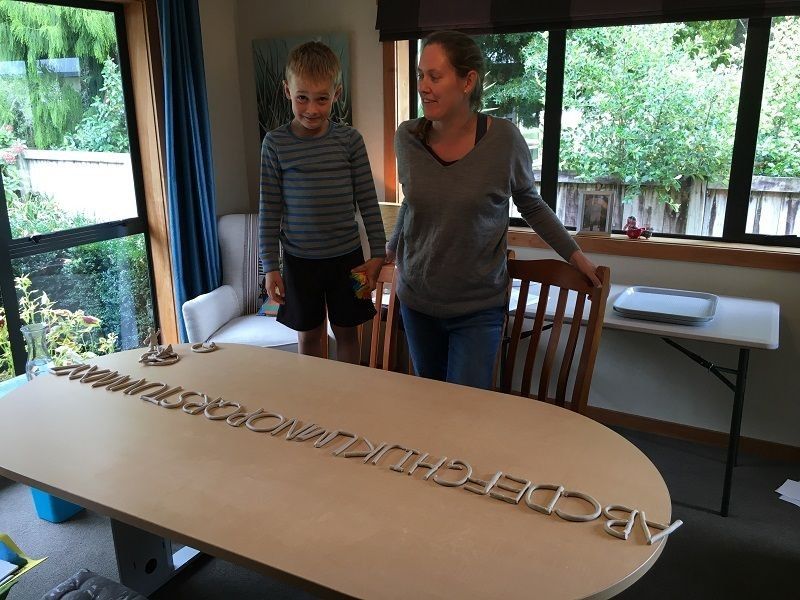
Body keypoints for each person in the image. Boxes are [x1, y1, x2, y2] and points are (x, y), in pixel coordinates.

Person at [386, 30, 600, 390]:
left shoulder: (503, 139)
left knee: (467, 415)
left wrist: (576, 257)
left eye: (435, 76)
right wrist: (390, 250)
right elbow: (414, 202)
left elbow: (530, 204)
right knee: (429, 409)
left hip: (476, 309)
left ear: (468, 80)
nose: (424, 86)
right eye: (421, 75)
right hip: (416, 303)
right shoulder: (406, 138)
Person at [259, 41, 386, 362]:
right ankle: (314, 403)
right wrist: (271, 267)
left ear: (337, 94)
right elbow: (270, 210)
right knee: (310, 336)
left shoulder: (350, 141)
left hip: (351, 260)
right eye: (302, 97)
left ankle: (349, 402)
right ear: (287, 90)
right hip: (299, 263)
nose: (312, 109)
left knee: (348, 333)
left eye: (322, 99)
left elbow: (369, 203)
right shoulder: (275, 144)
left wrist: (378, 256)